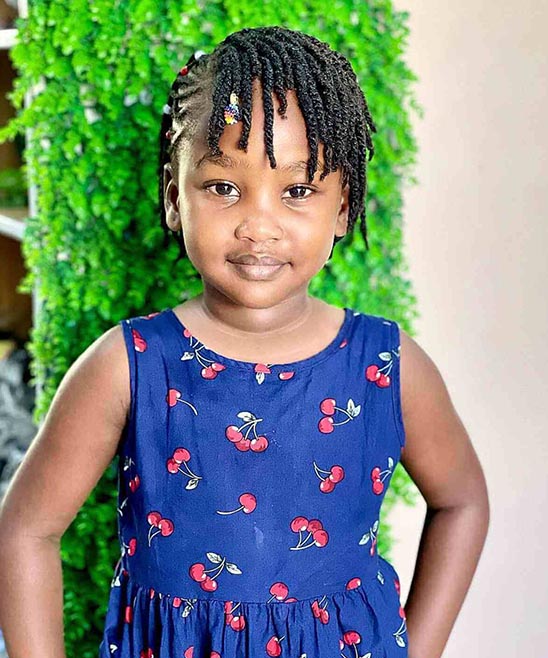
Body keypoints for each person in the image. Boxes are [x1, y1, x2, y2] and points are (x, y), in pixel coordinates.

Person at [0, 25, 490, 658]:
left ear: (343, 207)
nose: (259, 224)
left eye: (298, 190)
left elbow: (462, 501)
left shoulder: (387, 366)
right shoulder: (130, 365)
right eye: (224, 187)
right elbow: (26, 530)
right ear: (175, 198)